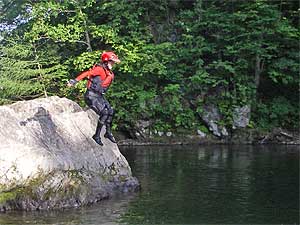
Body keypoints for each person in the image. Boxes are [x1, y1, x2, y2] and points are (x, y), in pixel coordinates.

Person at [67, 51, 121, 146]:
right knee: (104, 113)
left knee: (111, 111)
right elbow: (86, 73)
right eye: (111, 62)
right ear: (106, 61)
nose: (113, 64)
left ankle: (108, 133)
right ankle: (96, 136)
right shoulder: (99, 69)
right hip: (91, 96)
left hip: (99, 96)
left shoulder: (109, 72)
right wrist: (74, 81)